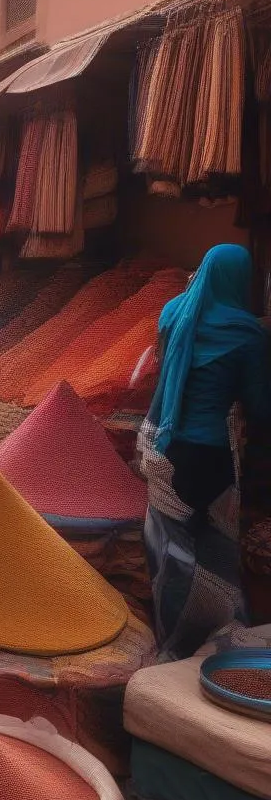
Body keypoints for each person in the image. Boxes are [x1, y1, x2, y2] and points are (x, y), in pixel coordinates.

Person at [141, 244, 271, 659]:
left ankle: (170, 644)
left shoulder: (172, 313)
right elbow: (260, 405)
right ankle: (209, 644)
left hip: (163, 450)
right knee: (213, 552)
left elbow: (165, 371)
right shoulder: (247, 333)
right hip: (210, 457)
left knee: (171, 551)